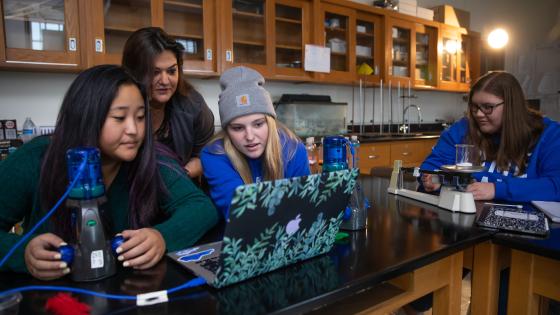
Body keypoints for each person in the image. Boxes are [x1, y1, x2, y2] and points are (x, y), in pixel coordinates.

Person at [0, 65, 218, 280]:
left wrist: (162, 237)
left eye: (141, 117)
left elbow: (200, 207)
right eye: (120, 118)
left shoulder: (151, 160)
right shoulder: (36, 158)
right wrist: (23, 253)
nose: (134, 130)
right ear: (85, 116)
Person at [420, 71, 560, 202]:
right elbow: (430, 168)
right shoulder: (461, 129)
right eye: (475, 106)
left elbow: (556, 185)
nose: (479, 114)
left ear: (512, 106)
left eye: (488, 107)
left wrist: (496, 189)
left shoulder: (550, 135)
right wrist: (434, 180)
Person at [201, 66, 310, 218]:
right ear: (227, 130)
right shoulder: (214, 154)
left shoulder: (293, 148)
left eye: (258, 124)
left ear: (270, 122)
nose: (250, 136)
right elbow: (239, 212)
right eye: (238, 128)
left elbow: (308, 202)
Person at [122, 27, 215, 179]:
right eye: (154, 72)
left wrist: (178, 177)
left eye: (171, 71)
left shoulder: (193, 104)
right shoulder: (116, 106)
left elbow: (206, 155)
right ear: (133, 72)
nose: (165, 81)